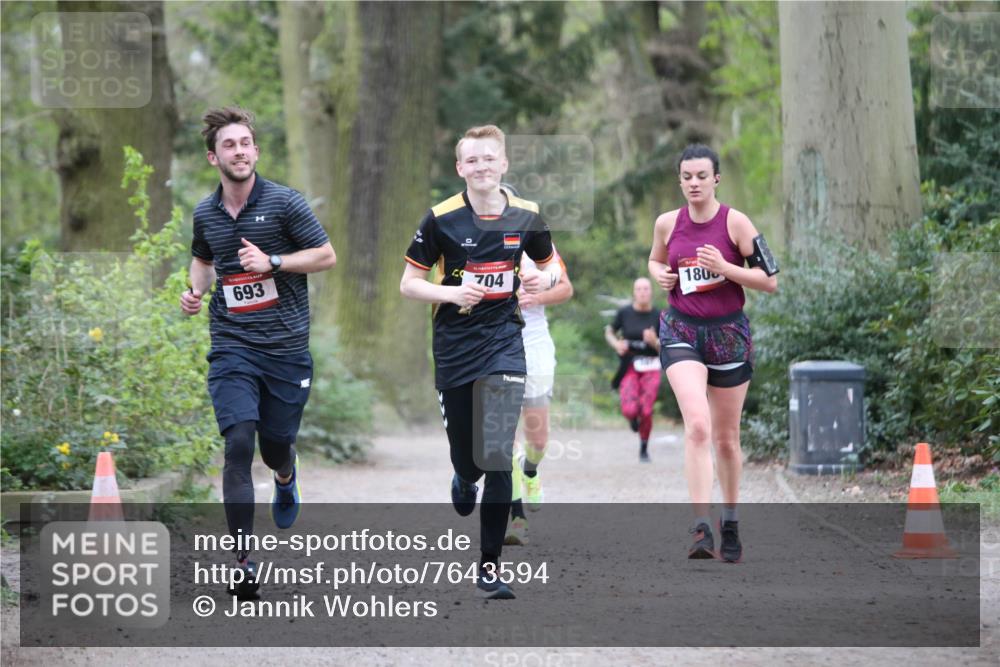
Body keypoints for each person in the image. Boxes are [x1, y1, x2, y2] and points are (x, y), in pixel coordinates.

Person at [180, 106, 336, 598]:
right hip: (232, 344)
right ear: (214, 157)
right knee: (239, 441)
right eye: (230, 145)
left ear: (256, 152)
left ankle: (286, 476)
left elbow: (326, 255)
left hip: (286, 349)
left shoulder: (285, 203)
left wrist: (274, 261)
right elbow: (203, 261)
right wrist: (195, 292)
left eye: (246, 143)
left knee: (273, 447)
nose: (240, 151)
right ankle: (243, 560)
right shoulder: (206, 212)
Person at [400, 126, 562, 599]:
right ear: (460, 169)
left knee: (495, 455)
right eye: (472, 161)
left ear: (504, 164)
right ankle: (461, 475)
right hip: (454, 346)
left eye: (489, 159)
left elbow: (550, 264)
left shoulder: (527, 215)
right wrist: (452, 292)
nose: (482, 167)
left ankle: (489, 567)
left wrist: (539, 279)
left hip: (504, 342)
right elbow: (408, 283)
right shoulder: (441, 219)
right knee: (467, 457)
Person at [648, 144, 778, 563]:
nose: (694, 183)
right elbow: (653, 261)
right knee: (698, 427)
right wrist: (660, 273)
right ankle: (701, 526)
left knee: (725, 439)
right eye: (687, 177)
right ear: (680, 180)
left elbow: (768, 280)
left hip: (727, 334)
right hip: (681, 329)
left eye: (702, 176)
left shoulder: (735, 222)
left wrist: (726, 269)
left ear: (716, 178)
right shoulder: (668, 223)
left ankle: (731, 519)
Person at [504, 221, 573, 546]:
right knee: (503, 437)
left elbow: (566, 288)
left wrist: (537, 295)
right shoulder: (477, 247)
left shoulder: (538, 249)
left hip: (534, 345)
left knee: (539, 440)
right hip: (495, 345)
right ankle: (516, 517)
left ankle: (530, 471)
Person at [606, 278, 662, 463]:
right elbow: (609, 331)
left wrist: (654, 341)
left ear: (651, 292)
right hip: (629, 365)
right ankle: (632, 419)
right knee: (630, 409)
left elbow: (668, 347)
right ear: (634, 292)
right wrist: (616, 344)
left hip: (651, 366)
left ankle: (644, 448)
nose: (643, 292)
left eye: (646, 288)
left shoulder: (660, 315)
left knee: (646, 411)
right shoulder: (625, 312)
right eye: (639, 289)